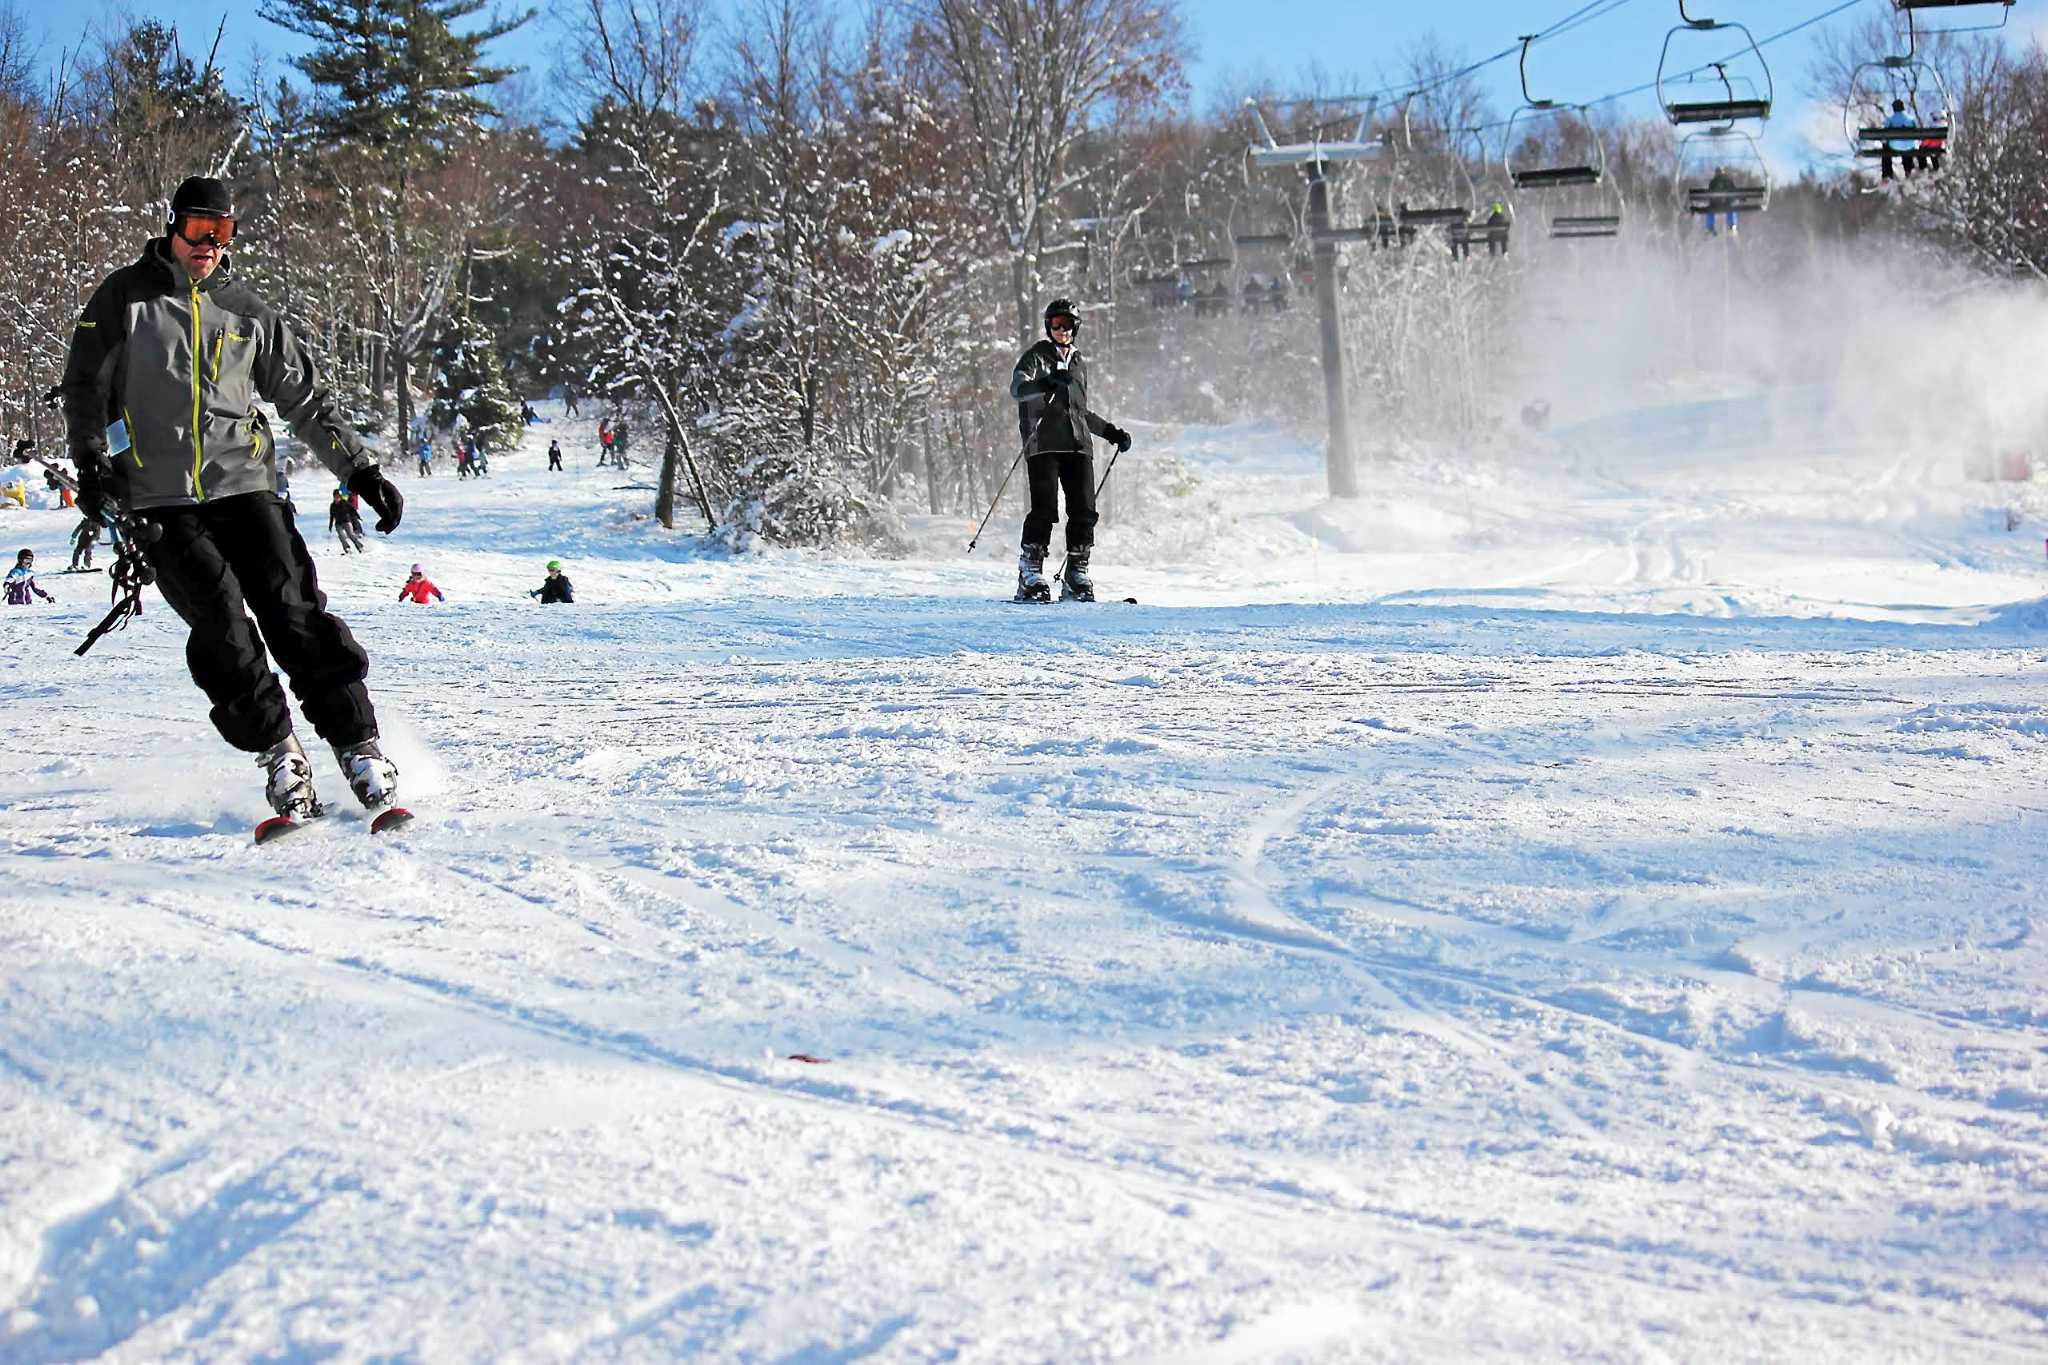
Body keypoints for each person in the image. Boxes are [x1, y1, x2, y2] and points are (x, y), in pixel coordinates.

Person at [60, 175, 407, 823]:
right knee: (220, 623)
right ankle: (280, 753)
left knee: (293, 611)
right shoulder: (123, 299)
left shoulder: (247, 309)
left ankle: (360, 746)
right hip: (159, 499)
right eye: (197, 230)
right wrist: (92, 461)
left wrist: (358, 469)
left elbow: (303, 398)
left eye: (220, 234)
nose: (207, 245)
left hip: (246, 485)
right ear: (172, 227)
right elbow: (84, 387)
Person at [1007, 298, 1132, 603]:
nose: (1061, 330)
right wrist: (1047, 381)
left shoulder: (1079, 363)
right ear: (1048, 327)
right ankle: (1030, 572)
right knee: (1045, 509)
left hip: (1077, 446)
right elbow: (1018, 389)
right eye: (1055, 325)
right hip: (1044, 444)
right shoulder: (1036, 356)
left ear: (1076, 328)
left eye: (1067, 325)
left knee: (1084, 510)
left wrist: (1109, 432)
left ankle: (1077, 573)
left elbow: (1079, 411)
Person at [1882, 99, 1919, 182]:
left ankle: (1887, 174)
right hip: (1909, 146)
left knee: (1885, 148)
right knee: (1906, 145)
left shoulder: (1890, 119)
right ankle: (1908, 170)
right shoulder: (1910, 119)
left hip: (1894, 146)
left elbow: (1884, 134)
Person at [1703, 168, 1738, 238]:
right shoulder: (1729, 181)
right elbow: (1734, 191)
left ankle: (1710, 227)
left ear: (1716, 173)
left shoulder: (1713, 182)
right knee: (1732, 209)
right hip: (1727, 204)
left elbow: (1710, 193)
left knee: (1709, 210)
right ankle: (1732, 225)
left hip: (1715, 205)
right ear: (1723, 173)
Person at [329, 487, 366, 554]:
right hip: (338, 523)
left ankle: (360, 546)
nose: (337, 498)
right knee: (341, 536)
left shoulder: (344, 503)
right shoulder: (332, 505)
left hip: (346, 521)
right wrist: (330, 525)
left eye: (338, 497)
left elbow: (352, 510)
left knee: (350, 534)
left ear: (340, 497)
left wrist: (358, 516)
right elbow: (332, 515)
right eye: (335, 497)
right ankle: (347, 548)